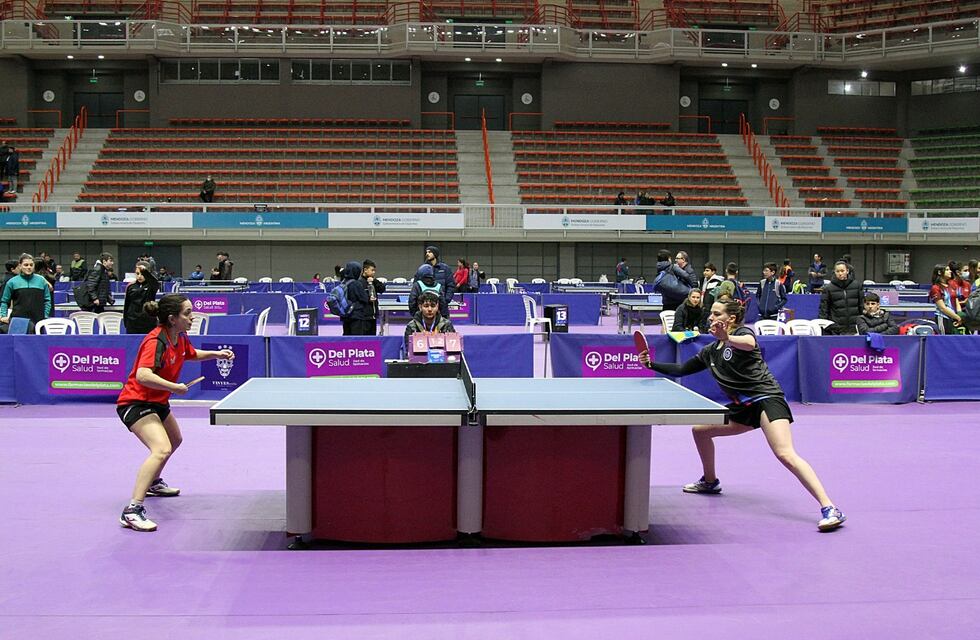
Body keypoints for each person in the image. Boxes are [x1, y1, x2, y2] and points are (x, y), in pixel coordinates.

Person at [638, 298, 847, 532]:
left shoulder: (743, 334)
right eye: (711, 314)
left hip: (766, 399)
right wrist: (652, 364)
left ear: (731, 319)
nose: (711, 317)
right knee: (700, 431)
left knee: (785, 453)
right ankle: (710, 481)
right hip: (743, 407)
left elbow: (748, 343)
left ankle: (830, 507)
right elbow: (681, 369)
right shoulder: (710, 351)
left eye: (717, 314)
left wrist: (727, 338)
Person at [117, 294, 235, 532]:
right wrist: (174, 387)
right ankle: (132, 510)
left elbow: (190, 354)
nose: (192, 317)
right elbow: (143, 375)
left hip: (157, 402)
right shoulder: (155, 341)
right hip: (136, 402)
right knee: (161, 449)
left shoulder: (179, 338)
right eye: (187, 313)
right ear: (172, 319)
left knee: (175, 439)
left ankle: (153, 483)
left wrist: (216, 354)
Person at [0, 254, 52, 334]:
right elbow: (4, 301)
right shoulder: (12, 282)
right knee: (19, 345)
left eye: (31, 265)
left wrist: (45, 315)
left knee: (37, 345)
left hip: (38, 321)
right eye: (26, 265)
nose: (29, 267)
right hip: (18, 322)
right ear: (20, 266)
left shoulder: (41, 281)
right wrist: (3, 315)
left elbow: (47, 300)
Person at [818, 261, 863, 335]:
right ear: (834, 272)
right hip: (836, 329)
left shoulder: (857, 286)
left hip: (855, 328)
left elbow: (861, 306)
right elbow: (824, 310)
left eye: (842, 271)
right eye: (837, 271)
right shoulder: (828, 288)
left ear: (847, 271)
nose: (840, 273)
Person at [348, 259, 386, 336]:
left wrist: (374, 281)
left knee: (372, 340)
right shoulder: (359, 283)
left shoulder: (373, 281)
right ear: (365, 270)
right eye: (372, 270)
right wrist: (368, 299)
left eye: (374, 270)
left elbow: (382, 289)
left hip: (373, 316)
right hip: (363, 317)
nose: (374, 272)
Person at [123, 262, 160, 335]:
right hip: (132, 322)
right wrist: (126, 321)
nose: (139, 276)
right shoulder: (130, 286)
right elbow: (127, 305)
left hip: (148, 322)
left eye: (142, 274)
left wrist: (145, 271)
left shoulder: (151, 286)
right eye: (137, 274)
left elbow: (155, 283)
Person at [420, 246, 455, 317]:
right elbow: (417, 285)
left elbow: (451, 285)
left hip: (442, 305)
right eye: (426, 252)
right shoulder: (422, 269)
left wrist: (446, 300)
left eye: (429, 252)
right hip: (427, 304)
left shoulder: (445, 268)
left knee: (444, 326)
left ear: (435, 254)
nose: (427, 254)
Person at [929, 263, 962, 335]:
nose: (950, 271)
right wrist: (957, 317)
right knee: (945, 341)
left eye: (949, 270)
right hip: (943, 318)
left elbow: (956, 302)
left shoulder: (951, 286)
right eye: (947, 270)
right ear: (939, 272)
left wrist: (960, 315)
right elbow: (942, 308)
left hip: (954, 318)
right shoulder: (936, 288)